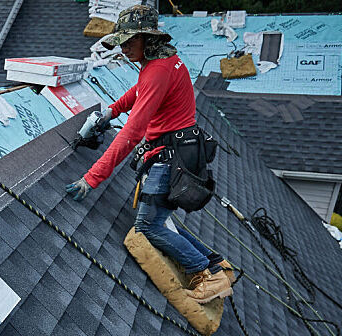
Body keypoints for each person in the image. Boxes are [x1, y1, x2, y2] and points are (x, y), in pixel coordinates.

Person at [65, 4, 232, 304]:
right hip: (181, 148)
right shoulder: (163, 61)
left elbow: (131, 133)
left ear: (147, 38)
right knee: (162, 218)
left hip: (170, 157)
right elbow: (140, 90)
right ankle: (215, 264)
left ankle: (209, 277)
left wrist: (91, 179)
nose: (125, 48)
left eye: (130, 41)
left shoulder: (157, 70)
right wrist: (111, 111)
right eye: (122, 42)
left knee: (149, 224)